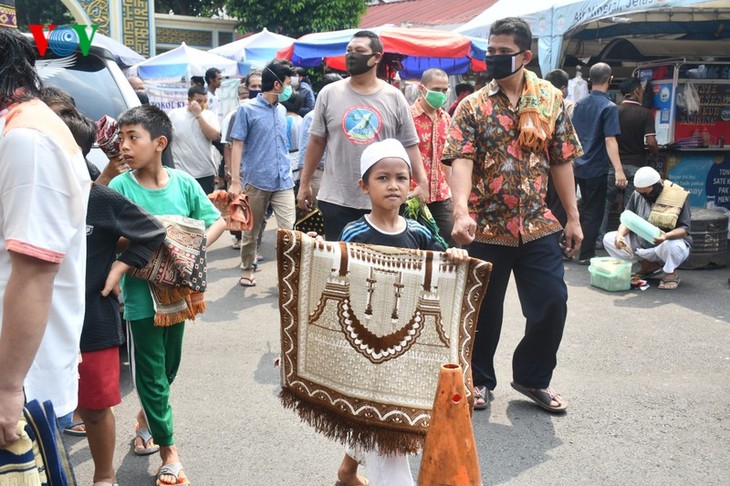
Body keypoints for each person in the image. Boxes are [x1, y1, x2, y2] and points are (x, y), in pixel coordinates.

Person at [442, 17, 583, 413]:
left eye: (504, 53)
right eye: (491, 51)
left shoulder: (550, 98)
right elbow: (461, 162)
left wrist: (572, 217)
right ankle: (480, 381)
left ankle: (532, 378)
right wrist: (460, 211)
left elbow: (561, 160)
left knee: (552, 302)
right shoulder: (472, 105)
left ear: (526, 55)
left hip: (538, 224)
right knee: (483, 310)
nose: (495, 58)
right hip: (485, 225)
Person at [337, 138, 468, 486]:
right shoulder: (355, 233)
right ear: (364, 186)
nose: (393, 185)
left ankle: (348, 471)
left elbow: (443, 265)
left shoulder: (420, 234)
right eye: (382, 178)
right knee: (388, 426)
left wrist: (453, 256)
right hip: (366, 344)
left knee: (380, 418)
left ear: (411, 185)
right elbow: (332, 283)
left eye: (400, 178)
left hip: (406, 345)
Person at [109, 104, 226, 486]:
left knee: (169, 367)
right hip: (142, 297)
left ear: (160, 143)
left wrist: (189, 251)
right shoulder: (118, 188)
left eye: (132, 137)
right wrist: (154, 243)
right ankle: (169, 452)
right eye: (121, 137)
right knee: (152, 374)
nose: (123, 146)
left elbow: (215, 222)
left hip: (179, 297)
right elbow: (110, 238)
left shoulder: (185, 184)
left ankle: (146, 418)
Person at [57, 105, 167, 486]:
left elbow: (152, 233)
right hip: (39, 321)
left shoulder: (98, 199)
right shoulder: (23, 197)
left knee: (95, 406)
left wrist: (121, 266)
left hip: (94, 320)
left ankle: (104, 476)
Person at [0, 28, 91, 447]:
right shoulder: (20, 128)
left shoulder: (28, 140)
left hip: (21, 380)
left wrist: (7, 389)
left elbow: (35, 273)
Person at [297, 30, 429, 241]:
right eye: (349, 51)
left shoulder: (394, 97)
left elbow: (410, 144)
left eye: (359, 51)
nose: (351, 55)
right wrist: (304, 183)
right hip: (337, 199)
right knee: (339, 264)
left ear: (376, 57)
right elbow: (316, 141)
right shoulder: (328, 94)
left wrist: (422, 182)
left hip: (383, 201)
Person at [228, 60, 297, 288]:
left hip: (283, 180)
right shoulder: (246, 110)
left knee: (290, 232)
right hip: (256, 180)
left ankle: (288, 276)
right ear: (277, 84)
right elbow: (237, 144)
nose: (290, 89)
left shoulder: (282, 109)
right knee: (252, 230)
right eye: (288, 84)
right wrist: (235, 181)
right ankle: (247, 268)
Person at [571, 62, 627, 264]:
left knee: (575, 208)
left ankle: (568, 248)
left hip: (575, 165)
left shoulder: (580, 104)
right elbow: (610, 139)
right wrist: (619, 170)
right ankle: (586, 254)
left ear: (589, 80)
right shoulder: (609, 107)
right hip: (595, 167)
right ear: (610, 80)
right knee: (593, 211)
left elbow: (573, 135)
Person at [603, 167, 691, 290]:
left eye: (646, 193)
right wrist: (620, 236)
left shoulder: (677, 195)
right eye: (640, 193)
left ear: (656, 187)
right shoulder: (637, 194)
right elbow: (627, 219)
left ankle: (670, 273)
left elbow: (685, 229)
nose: (643, 196)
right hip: (641, 244)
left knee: (673, 246)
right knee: (609, 239)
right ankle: (648, 266)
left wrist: (666, 236)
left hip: (665, 244)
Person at [598, 77, 659, 242]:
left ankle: (599, 240)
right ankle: (626, 240)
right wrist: (655, 153)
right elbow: (651, 142)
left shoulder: (613, 111)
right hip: (636, 166)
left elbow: (607, 139)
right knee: (630, 206)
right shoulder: (645, 113)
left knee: (604, 204)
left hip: (613, 165)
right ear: (637, 91)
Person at [410, 68, 456, 247]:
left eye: (445, 90)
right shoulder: (408, 117)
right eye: (436, 89)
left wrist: (452, 192)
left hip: (441, 196)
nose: (441, 94)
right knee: (415, 248)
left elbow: (449, 160)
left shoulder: (446, 119)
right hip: (413, 195)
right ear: (422, 89)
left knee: (450, 246)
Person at [221, 71, 262, 249]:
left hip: (260, 172)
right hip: (242, 172)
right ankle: (243, 242)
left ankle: (251, 246)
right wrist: (231, 173)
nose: (256, 90)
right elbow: (230, 145)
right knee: (241, 209)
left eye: (259, 86)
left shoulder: (273, 110)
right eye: (253, 86)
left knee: (257, 213)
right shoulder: (236, 114)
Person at [297, 73, 342, 206]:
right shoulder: (312, 117)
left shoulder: (343, 115)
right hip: (318, 174)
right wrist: (304, 183)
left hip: (337, 174)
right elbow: (305, 150)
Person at [167, 85, 221, 194]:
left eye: (205, 101)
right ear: (189, 100)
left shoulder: (209, 115)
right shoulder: (174, 114)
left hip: (204, 173)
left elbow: (215, 136)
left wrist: (199, 116)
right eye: (198, 101)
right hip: (181, 172)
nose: (202, 104)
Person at [544, 68, 575, 230]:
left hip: (540, 166)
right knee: (559, 204)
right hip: (559, 162)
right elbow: (567, 144)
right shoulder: (567, 107)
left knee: (546, 203)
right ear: (563, 88)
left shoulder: (537, 104)